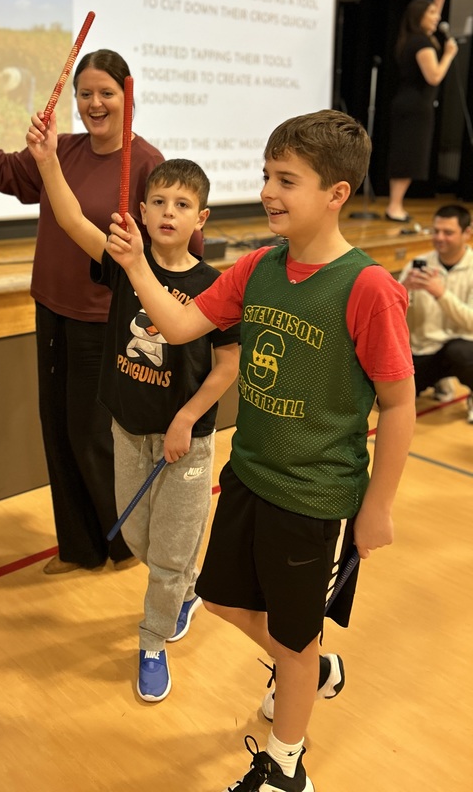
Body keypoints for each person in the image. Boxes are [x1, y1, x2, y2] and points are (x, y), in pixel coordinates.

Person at [105, 110, 415, 792]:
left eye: (288, 180)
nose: (270, 191)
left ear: (336, 193)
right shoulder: (257, 269)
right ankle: (311, 669)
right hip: (248, 475)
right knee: (218, 600)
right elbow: (183, 322)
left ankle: (284, 766)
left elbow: (398, 404)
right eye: (267, 175)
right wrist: (133, 266)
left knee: (295, 638)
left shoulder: (367, 289)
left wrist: (378, 507)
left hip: (314, 497)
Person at [24, 117, 240, 701]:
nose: (169, 211)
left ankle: (152, 639)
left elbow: (228, 366)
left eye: (183, 203)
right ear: (141, 212)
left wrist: (186, 419)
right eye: (159, 201)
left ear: (201, 219)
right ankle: (183, 589)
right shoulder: (125, 266)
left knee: (167, 553)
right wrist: (47, 159)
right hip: (128, 430)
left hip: (185, 439)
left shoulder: (215, 286)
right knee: (142, 543)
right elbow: (70, 219)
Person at [0, 49, 174, 574]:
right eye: (85, 94)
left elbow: (181, 240)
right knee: (58, 428)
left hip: (106, 320)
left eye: (106, 93)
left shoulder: (147, 162)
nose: (95, 103)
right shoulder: (61, 150)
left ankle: (123, 543)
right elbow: (6, 173)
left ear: (127, 95)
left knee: (92, 436)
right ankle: (80, 547)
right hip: (51, 309)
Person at [385, 0, 458, 222]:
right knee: (407, 156)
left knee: (409, 156)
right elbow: (434, 75)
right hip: (414, 107)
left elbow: (433, 13)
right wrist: (448, 55)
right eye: (431, 13)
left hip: (412, 105)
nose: (437, 17)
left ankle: (396, 204)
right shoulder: (421, 42)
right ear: (419, 17)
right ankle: (394, 206)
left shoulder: (415, 38)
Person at [398, 203, 473, 423]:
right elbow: (392, 315)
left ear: (466, 233)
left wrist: (441, 294)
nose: (439, 237)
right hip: (423, 350)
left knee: (462, 352)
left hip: (462, 347)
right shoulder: (416, 264)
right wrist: (404, 289)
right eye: (436, 231)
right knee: (386, 401)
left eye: (448, 232)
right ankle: (439, 380)